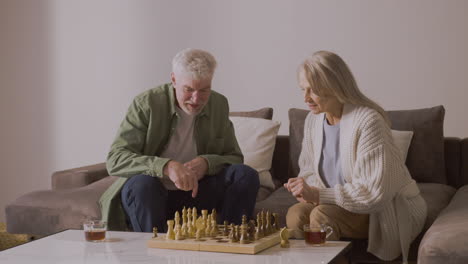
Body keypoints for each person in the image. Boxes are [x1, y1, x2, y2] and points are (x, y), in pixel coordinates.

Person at [284, 51, 427, 263]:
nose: (305, 98)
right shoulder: (313, 121)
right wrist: (305, 190)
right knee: (296, 214)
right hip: (339, 203)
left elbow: (374, 194)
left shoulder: (368, 121)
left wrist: (319, 195)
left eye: (312, 90)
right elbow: (308, 170)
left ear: (333, 86)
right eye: (302, 90)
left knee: (321, 216)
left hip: (381, 209)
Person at [99, 48, 260, 233]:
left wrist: (208, 163)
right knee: (143, 185)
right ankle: (154, 254)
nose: (196, 99)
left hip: (196, 193)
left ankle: (231, 244)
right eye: (189, 89)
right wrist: (166, 167)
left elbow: (234, 157)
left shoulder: (219, 104)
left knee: (244, 175)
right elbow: (115, 159)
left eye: (204, 90)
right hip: (152, 195)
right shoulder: (146, 103)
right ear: (174, 80)